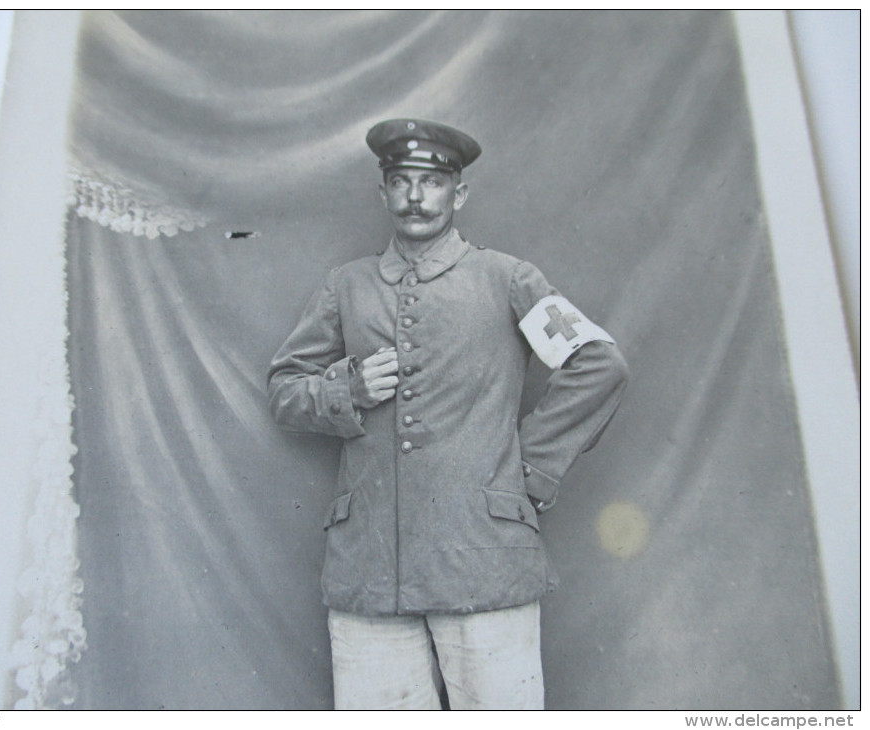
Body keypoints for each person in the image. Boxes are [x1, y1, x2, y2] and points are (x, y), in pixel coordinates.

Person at [267, 118, 629, 710]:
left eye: (431, 182)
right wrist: (346, 390)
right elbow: (284, 389)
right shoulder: (346, 287)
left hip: (483, 558)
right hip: (371, 567)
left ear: (458, 194)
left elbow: (599, 364)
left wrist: (527, 471)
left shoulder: (509, 278)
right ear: (381, 192)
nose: (415, 197)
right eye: (401, 181)